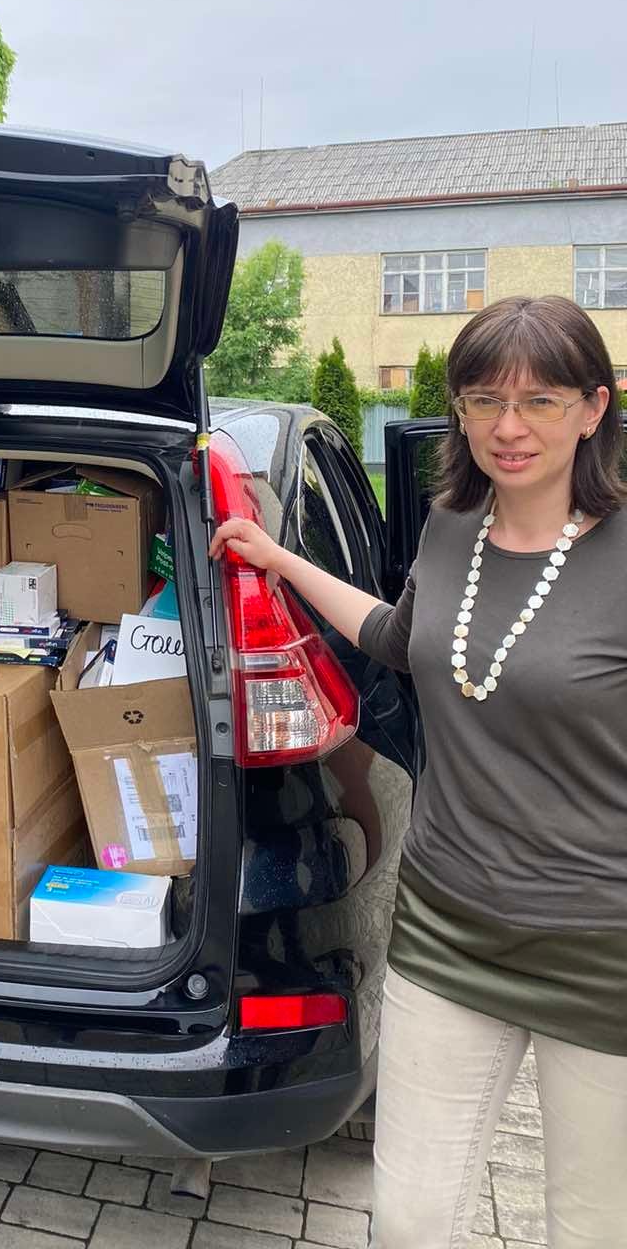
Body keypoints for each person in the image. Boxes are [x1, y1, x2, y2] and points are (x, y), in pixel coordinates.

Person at [209, 294, 627, 1249]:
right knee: (407, 1221)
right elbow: (399, 638)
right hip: (446, 926)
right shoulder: (451, 529)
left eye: (540, 400)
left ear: (593, 408)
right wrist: (278, 559)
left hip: (600, 947)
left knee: (592, 1229)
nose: (509, 427)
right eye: (484, 400)